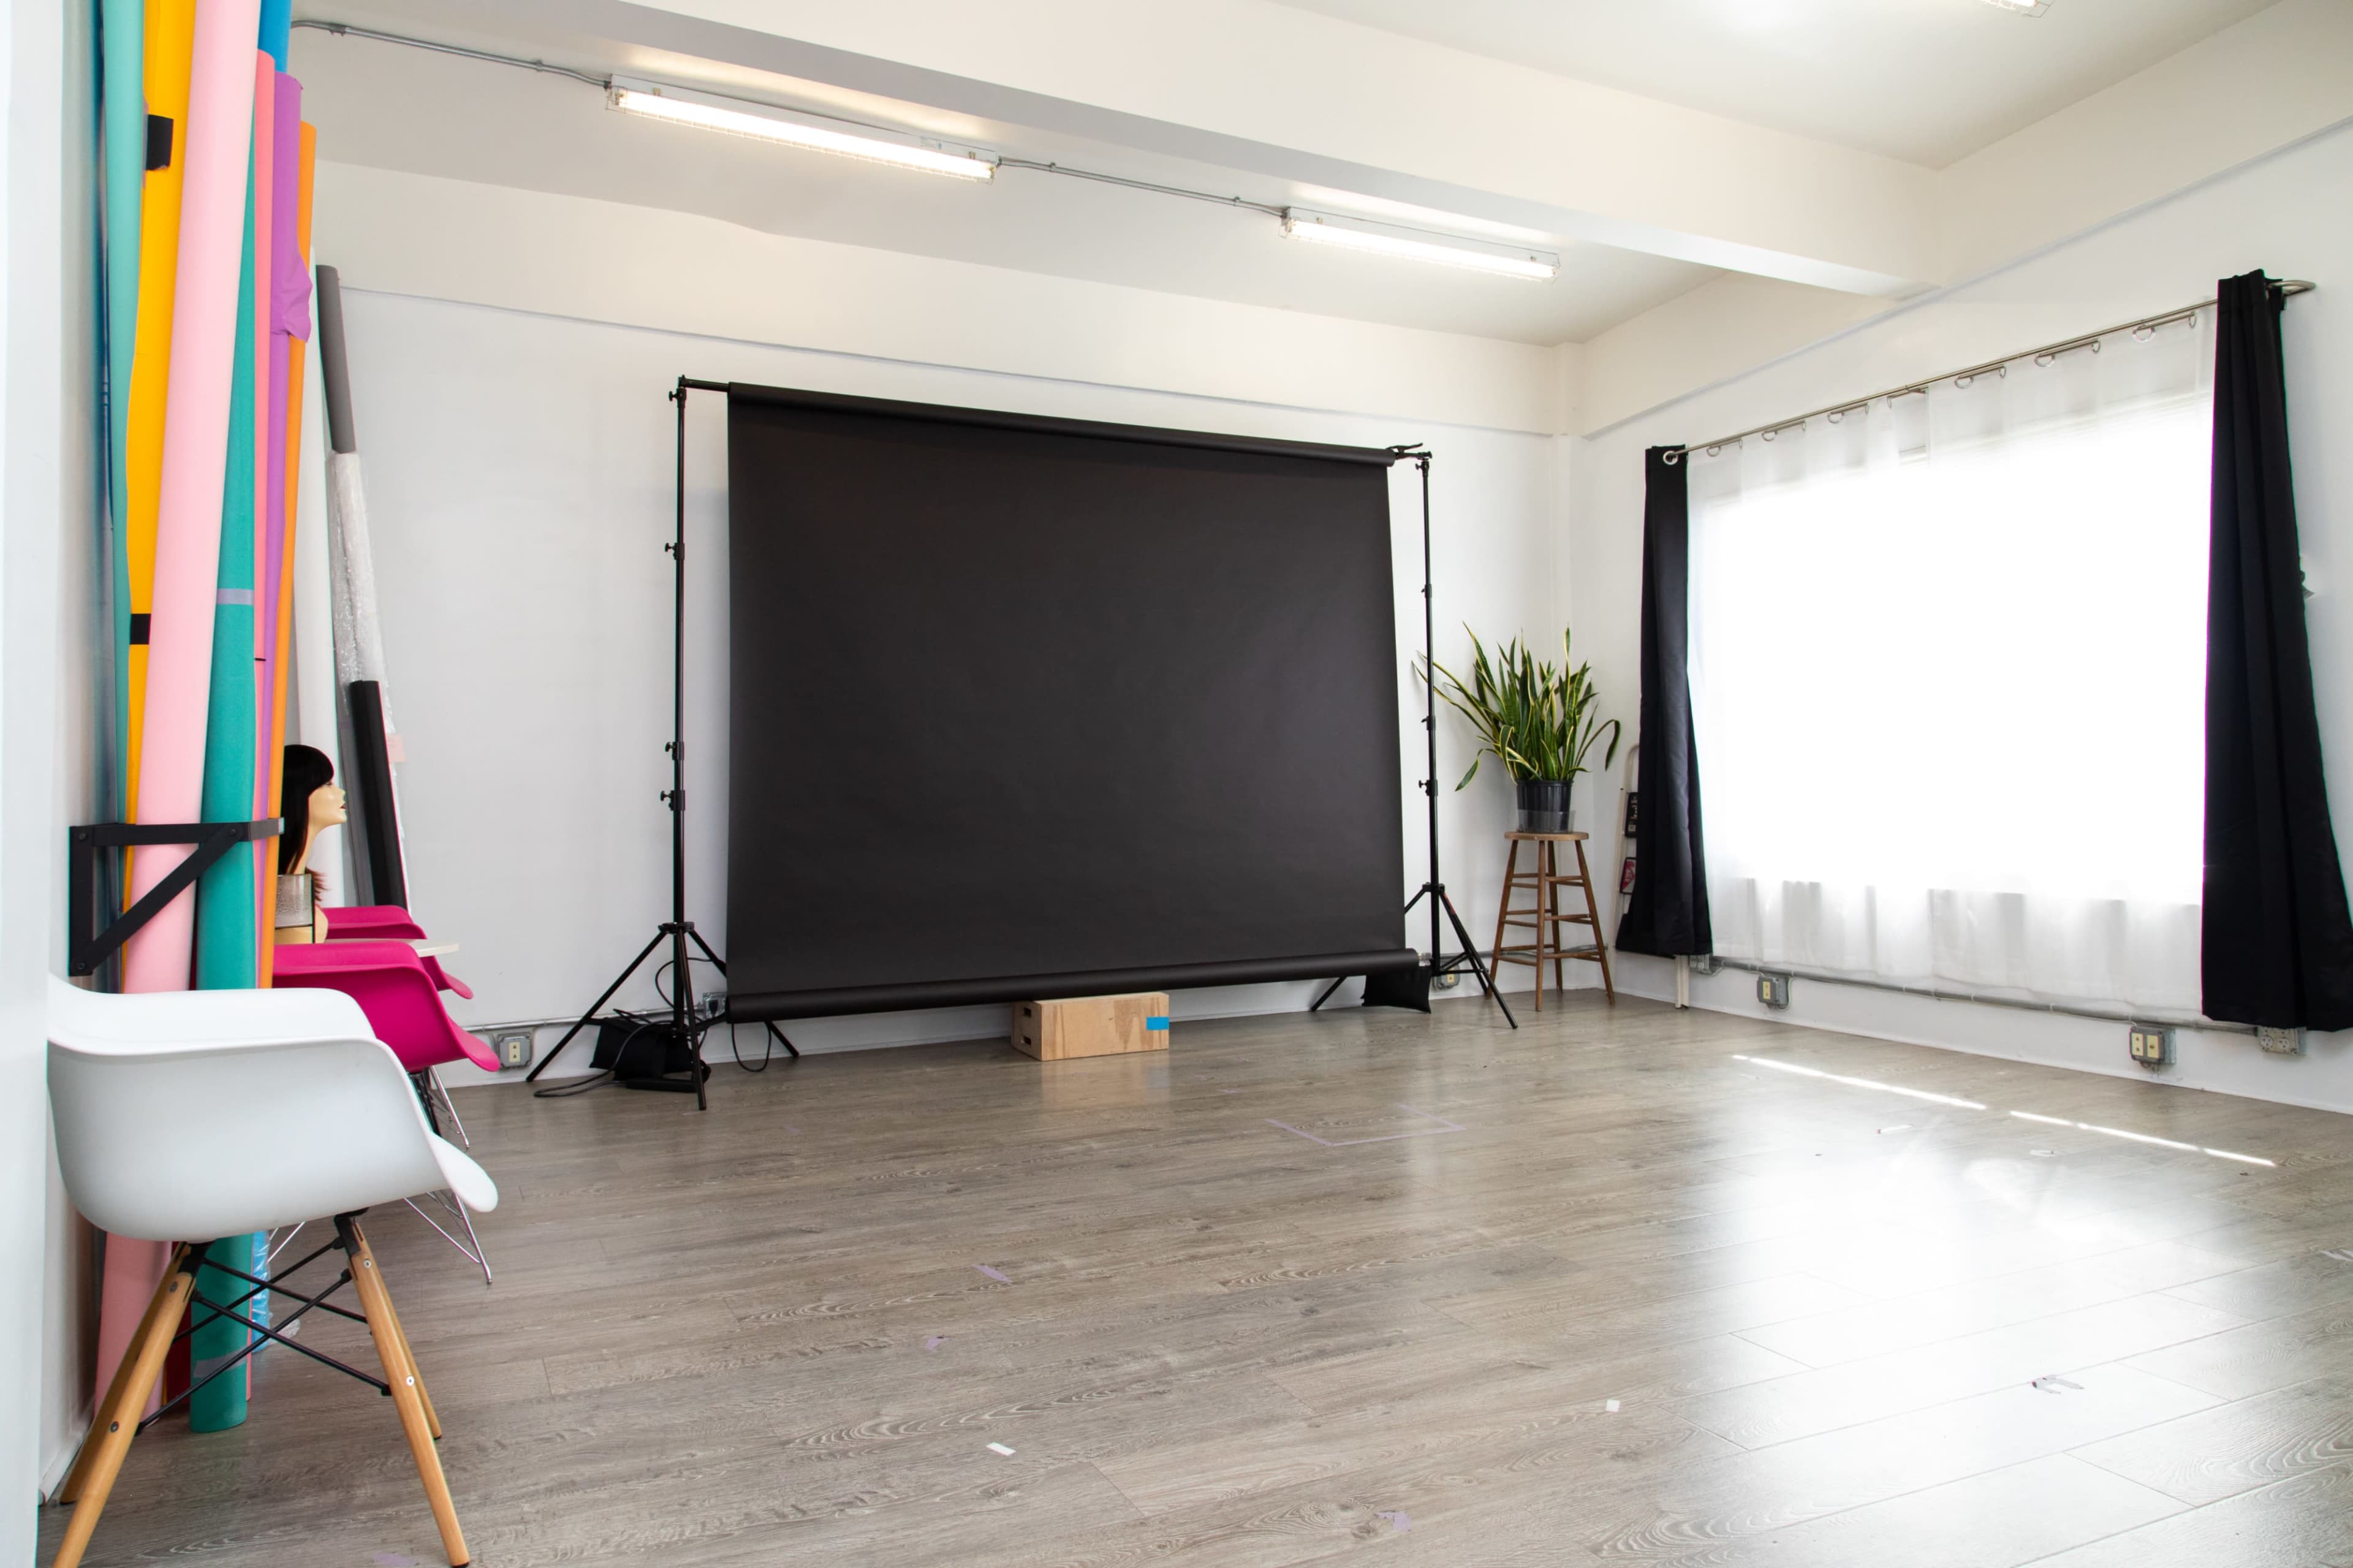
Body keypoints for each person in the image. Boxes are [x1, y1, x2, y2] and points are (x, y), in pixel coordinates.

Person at [274, 744, 346, 945]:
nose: (340, 792)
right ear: (298, 795)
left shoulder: (289, 890)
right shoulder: (286, 900)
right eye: (328, 784)